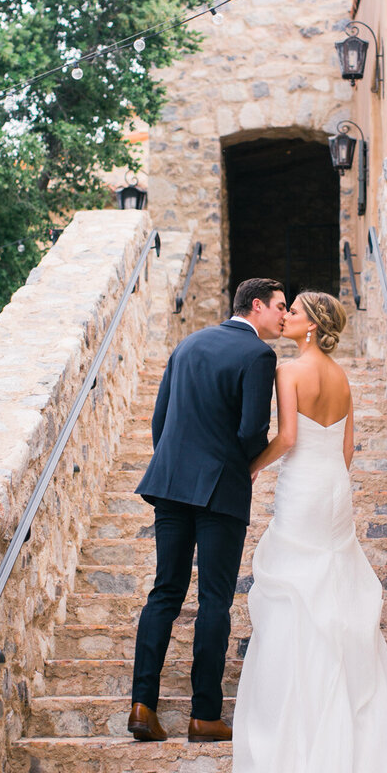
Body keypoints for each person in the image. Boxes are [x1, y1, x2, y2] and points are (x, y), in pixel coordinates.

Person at [219, 290, 387, 773]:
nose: (285, 315)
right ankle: (342, 714)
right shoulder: (341, 377)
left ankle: (294, 728)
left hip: (301, 488)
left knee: (295, 592)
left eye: (294, 312)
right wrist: (324, 484)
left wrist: (250, 467)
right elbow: (346, 450)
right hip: (332, 490)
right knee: (331, 592)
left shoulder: (289, 370)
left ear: (312, 326)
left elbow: (287, 439)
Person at [128, 277, 288, 743]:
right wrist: (248, 469)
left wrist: (178, 468)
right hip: (221, 491)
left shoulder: (188, 344)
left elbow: (161, 420)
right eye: (280, 306)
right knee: (215, 600)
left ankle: (142, 705)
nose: (283, 315)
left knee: (165, 592)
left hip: (171, 485)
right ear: (256, 306)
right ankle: (204, 715)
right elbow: (252, 432)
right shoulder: (259, 355)